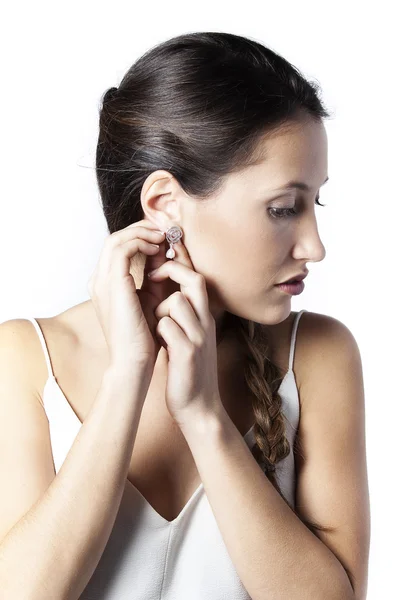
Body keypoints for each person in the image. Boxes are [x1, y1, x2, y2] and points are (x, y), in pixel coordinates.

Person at [0, 32, 369, 599]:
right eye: (282, 208)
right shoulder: (26, 360)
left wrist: (204, 417)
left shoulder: (317, 356)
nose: (314, 246)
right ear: (165, 205)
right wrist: (128, 376)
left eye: (313, 204)